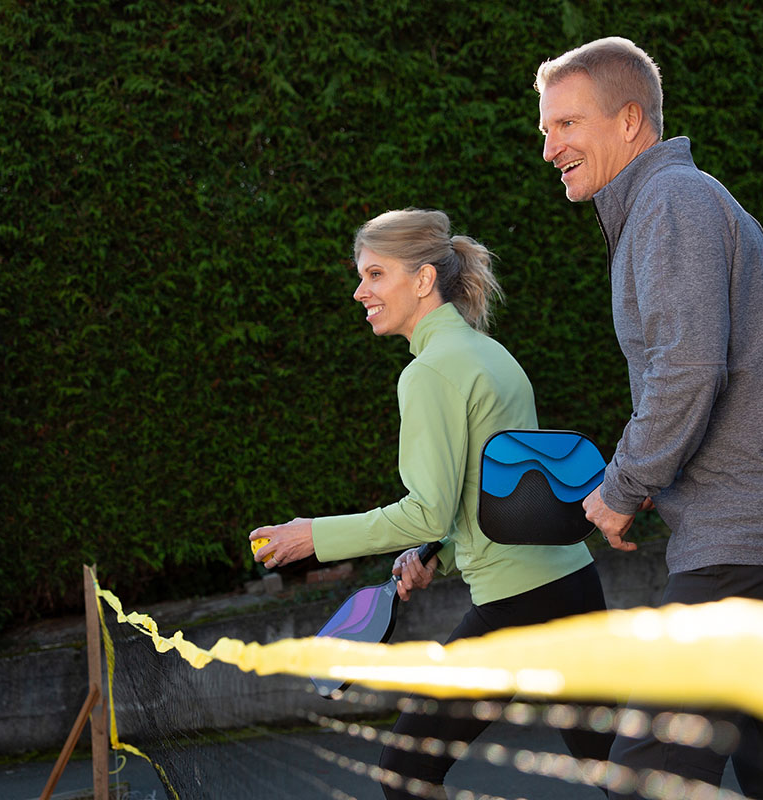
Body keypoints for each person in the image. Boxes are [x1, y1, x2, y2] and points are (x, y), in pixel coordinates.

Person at [535, 38, 763, 799]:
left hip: (750, 545)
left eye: (567, 125)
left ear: (631, 120)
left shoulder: (671, 203)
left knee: (646, 777)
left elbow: (686, 372)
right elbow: (690, 371)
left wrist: (622, 485)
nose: (550, 148)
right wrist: (640, 480)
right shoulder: (667, 205)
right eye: (545, 130)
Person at [249, 208, 614, 800]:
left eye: (374, 274)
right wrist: (436, 556)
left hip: (517, 604)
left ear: (422, 280)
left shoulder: (429, 373)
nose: (359, 290)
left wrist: (313, 536)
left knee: (407, 774)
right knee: (618, 769)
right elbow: (493, 492)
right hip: (572, 584)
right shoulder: (489, 354)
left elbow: (429, 510)